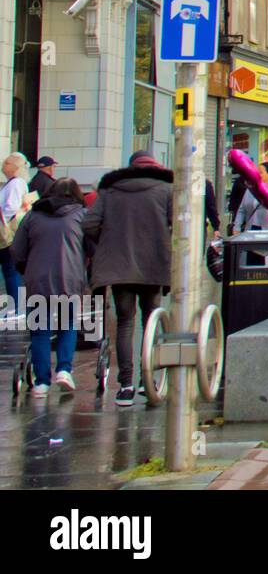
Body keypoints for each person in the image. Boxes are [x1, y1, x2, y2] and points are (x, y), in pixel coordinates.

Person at [83, 150, 172, 407]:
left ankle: (126, 385)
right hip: (154, 266)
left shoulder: (110, 192)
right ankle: (147, 380)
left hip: (119, 267)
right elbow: (178, 224)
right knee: (151, 321)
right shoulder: (166, 190)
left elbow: (89, 224)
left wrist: (109, 243)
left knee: (125, 323)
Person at [11, 178, 89, 396]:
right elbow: (92, 247)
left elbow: (17, 250)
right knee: (67, 326)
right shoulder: (81, 215)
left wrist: (27, 269)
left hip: (37, 281)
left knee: (40, 331)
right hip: (69, 280)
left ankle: (41, 382)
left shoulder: (32, 216)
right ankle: (64, 370)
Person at [1, 152, 33, 318]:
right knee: (10, 270)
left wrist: (2, 223)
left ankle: (14, 309)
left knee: (10, 270)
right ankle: (15, 308)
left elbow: (10, 207)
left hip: (7, 234)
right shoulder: (17, 183)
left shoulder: (15, 184)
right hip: (12, 233)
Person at [234, 161, 268, 232]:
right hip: (251, 229)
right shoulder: (250, 190)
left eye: (261, 172)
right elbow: (241, 210)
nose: (258, 175)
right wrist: (236, 227)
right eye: (257, 172)